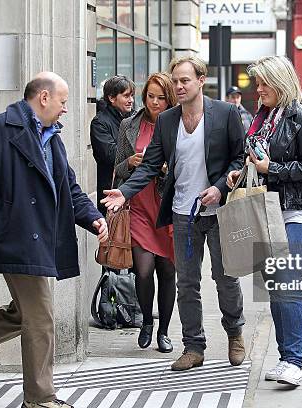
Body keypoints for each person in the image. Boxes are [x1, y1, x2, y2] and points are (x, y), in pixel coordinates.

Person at [0, 72, 108, 408]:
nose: (65, 109)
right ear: (43, 98)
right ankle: (40, 399)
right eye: (62, 101)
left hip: (41, 239)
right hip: (13, 236)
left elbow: (69, 188)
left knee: (23, 314)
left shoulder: (52, 139)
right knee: (41, 317)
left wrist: (93, 216)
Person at [101, 56, 246, 372]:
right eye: (175, 81)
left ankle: (235, 332)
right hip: (183, 215)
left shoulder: (225, 113)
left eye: (185, 80)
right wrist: (124, 191)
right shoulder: (167, 121)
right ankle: (194, 347)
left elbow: (240, 158)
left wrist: (220, 187)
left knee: (224, 277)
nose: (179, 86)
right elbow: (151, 164)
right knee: (187, 283)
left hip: (219, 212)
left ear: (200, 80)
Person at [228, 56, 302, 386]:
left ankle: (293, 360)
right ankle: (288, 351)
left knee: (286, 279)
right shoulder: (262, 116)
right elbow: (255, 159)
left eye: (263, 83)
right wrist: (241, 174)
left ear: (280, 82)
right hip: (270, 209)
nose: (257, 90)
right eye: (256, 84)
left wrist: (269, 170)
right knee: (275, 284)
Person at [113, 72, 177, 353]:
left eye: (161, 97)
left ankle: (163, 330)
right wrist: (130, 161)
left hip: (167, 206)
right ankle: (146, 323)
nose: (155, 102)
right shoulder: (129, 125)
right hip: (138, 204)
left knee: (167, 270)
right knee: (143, 270)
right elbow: (117, 169)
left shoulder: (179, 124)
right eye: (150, 96)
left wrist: (166, 169)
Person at [90, 75, 135, 215]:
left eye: (132, 96)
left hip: (133, 191)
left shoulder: (134, 118)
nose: (131, 100)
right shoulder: (100, 122)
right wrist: (136, 154)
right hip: (112, 192)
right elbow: (112, 155)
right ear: (111, 98)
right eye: (126, 96)